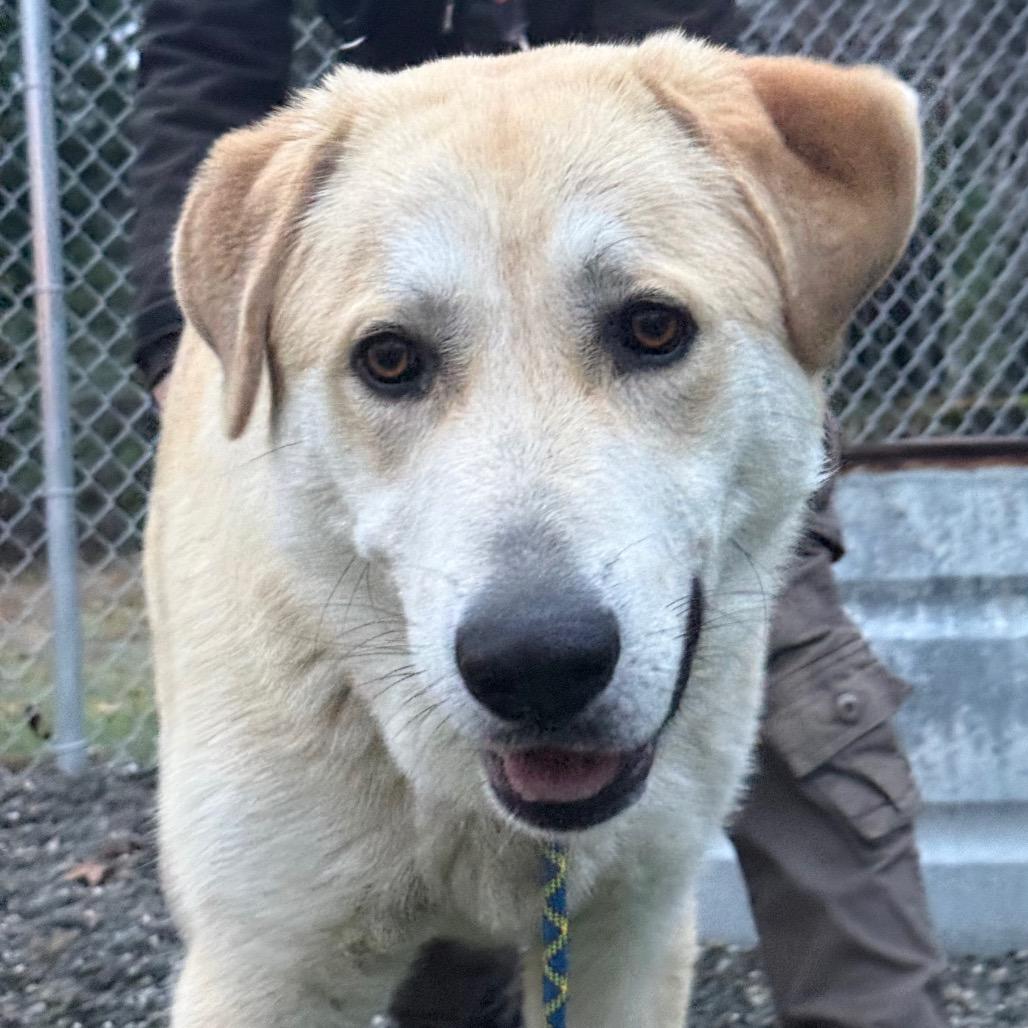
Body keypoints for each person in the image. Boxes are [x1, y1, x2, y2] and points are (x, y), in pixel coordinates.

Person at [128, 3, 950, 1025]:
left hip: (622, 107)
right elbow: (206, 38)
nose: (535, 628)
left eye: (648, 330)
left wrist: (649, 110)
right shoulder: (316, 203)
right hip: (390, 159)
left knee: (785, 749)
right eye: (394, 360)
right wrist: (181, 341)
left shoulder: (708, 147)